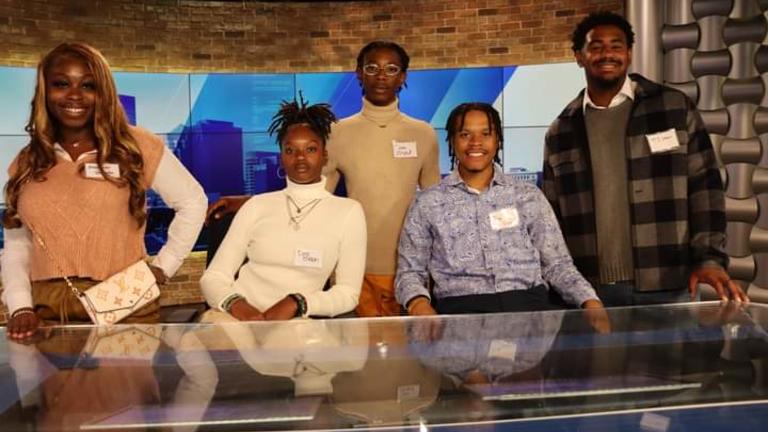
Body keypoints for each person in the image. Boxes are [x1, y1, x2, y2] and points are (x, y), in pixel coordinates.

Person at [207, 41, 440, 317]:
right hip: (356, 269)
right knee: (364, 356)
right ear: (359, 73)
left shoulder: (424, 134)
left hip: (409, 268)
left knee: (407, 356)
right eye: (372, 68)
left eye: (391, 69)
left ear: (403, 77)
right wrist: (249, 204)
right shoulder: (338, 132)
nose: (381, 76)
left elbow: (435, 205)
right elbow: (312, 193)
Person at [1, 42, 207, 340]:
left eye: (88, 85)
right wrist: (20, 307)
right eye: (61, 84)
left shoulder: (136, 145)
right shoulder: (26, 160)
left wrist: (162, 268)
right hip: (47, 310)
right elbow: (18, 246)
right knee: (57, 387)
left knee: (125, 388)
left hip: (124, 304)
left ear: (104, 93)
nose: (74, 95)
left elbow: (193, 201)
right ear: (45, 90)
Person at [543, 11, 748, 306]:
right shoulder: (560, 131)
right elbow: (552, 219)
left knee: (669, 355)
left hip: (667, 279)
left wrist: (709, 259)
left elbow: (706, 189)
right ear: (579, 56)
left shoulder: (673, 107)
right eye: (596, 46)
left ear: (628, 53)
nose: (607, 54)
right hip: (591, 291)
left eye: (616, 46)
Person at [395, 103, 606, 321]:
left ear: (497, 141)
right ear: (451, 141)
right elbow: (409, 272)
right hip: (460, 318)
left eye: (485, 134)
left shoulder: (527, 196)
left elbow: (557, 265)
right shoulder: (427, 203)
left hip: (530, 315)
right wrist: (419, 304)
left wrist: (590, 300)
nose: (475, 142)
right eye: (465, 134)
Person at [199, 97, 367, 320]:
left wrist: (299, 302)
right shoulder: (257, 206)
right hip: (236, 320)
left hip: (298, 329)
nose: (300, 158)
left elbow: (348, 294)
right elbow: (213, 277)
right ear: (281, 158)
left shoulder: (348, 212)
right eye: (290, 150)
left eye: (310, 149)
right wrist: (239, 307)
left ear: (324, 155)